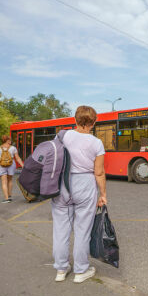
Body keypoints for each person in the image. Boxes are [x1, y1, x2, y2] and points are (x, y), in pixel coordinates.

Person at [51, 105, 107, 284]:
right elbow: (99, 172)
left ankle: (61, 269)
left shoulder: (63, 136)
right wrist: (103, 194)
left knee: (61, 229)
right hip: (85, 185)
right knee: (83, 230)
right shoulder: (96, 143)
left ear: (75, 120)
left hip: (62, 184)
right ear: (94, 123)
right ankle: (81, 270)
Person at [0, 135, 24, 204]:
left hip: (1, 165)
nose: (11, 141)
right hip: (11, 165)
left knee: (4, 182)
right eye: (10, 140)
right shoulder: (13, 148)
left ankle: (6, 198)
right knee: (10, 180)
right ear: (7, 141)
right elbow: (17, 158)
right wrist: (23, 165)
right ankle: (10, 195)